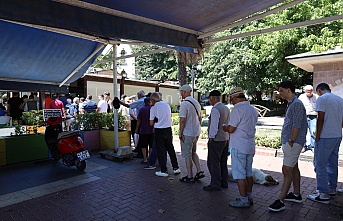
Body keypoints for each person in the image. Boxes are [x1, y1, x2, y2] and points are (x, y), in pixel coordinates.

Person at [268, 81, 307, 212]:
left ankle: (280, 200)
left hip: (293, 143)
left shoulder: (296, 104)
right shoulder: (293, 103)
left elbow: (296, 125)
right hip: (292, 142)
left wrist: (291, 140)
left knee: (286, 170)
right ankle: (296, 194)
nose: (280, 93)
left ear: (288, 90)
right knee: (294, 168)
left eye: (281, 90)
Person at [307, 83, 343, 204]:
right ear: (329, 89)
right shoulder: (339, 99)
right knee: (333, 163)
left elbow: (320, 118)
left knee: (320, 164)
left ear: (319, 91)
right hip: (337, 135)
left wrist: (317, 136)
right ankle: (332, 188)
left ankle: (323, 193)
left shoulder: (322, 99)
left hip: (325, 136)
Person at [223, 87, 258, 207]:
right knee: (248, 172)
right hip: (250, 145)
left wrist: (225, 128)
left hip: (239, 145)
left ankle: (243, 200)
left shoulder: (237, 110)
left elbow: (231, 129)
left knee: (239, 174)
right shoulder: (252, 109)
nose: (231, 101)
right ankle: (249, 196)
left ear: (236, 98)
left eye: (231, 98)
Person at [203, 90, 230, 191]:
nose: (209, 101)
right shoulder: (226, 108)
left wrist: (211, 138)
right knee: (223, 161)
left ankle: (215, 184)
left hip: (217, 139)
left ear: (213, 98)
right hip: (225, 138)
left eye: (210, 99)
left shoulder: (215, 109)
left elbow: (214, 126)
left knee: (213, 162)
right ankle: (224, 182)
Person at [177, 84, 204, 183]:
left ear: (184, 92)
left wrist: (180, 133)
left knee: (187, 154)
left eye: (181, 92)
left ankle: (190, 176)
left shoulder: (185, 104)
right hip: (195, 132)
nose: (181, 94)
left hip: (187, 132)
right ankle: (199, 171)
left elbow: (182, 120)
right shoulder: (196, 102)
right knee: (193, 152)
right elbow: (200, 118)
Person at [149, 92, 180, 177]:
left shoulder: (153, 108)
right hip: (168, 129)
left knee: (160, 150)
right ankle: (176, 167)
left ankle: (164, 170)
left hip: (159, 130)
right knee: (170, 148)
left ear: (153, 100)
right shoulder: (167, 105)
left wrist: (155, 120)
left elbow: (151, 123)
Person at [298, 85, 318, 153]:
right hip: (304, 116)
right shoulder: (301, 97)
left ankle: (313, 146)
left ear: (312, 91)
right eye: (307, 91)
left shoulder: (316, 97)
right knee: (302, 131)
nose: (309, 92)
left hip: (313, 116)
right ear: (305, 91)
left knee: (313, 132)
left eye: (310, 91)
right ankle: (303, 146)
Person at [135, 97, 154, 164]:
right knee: (151, 145)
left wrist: (137, 129)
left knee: (143, 145)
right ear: (150, 102)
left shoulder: (141, 109)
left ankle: (145, 158)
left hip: (143, 130)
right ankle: (151, 158)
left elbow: (139, 120)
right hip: (152, 130)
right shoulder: (152, 108)